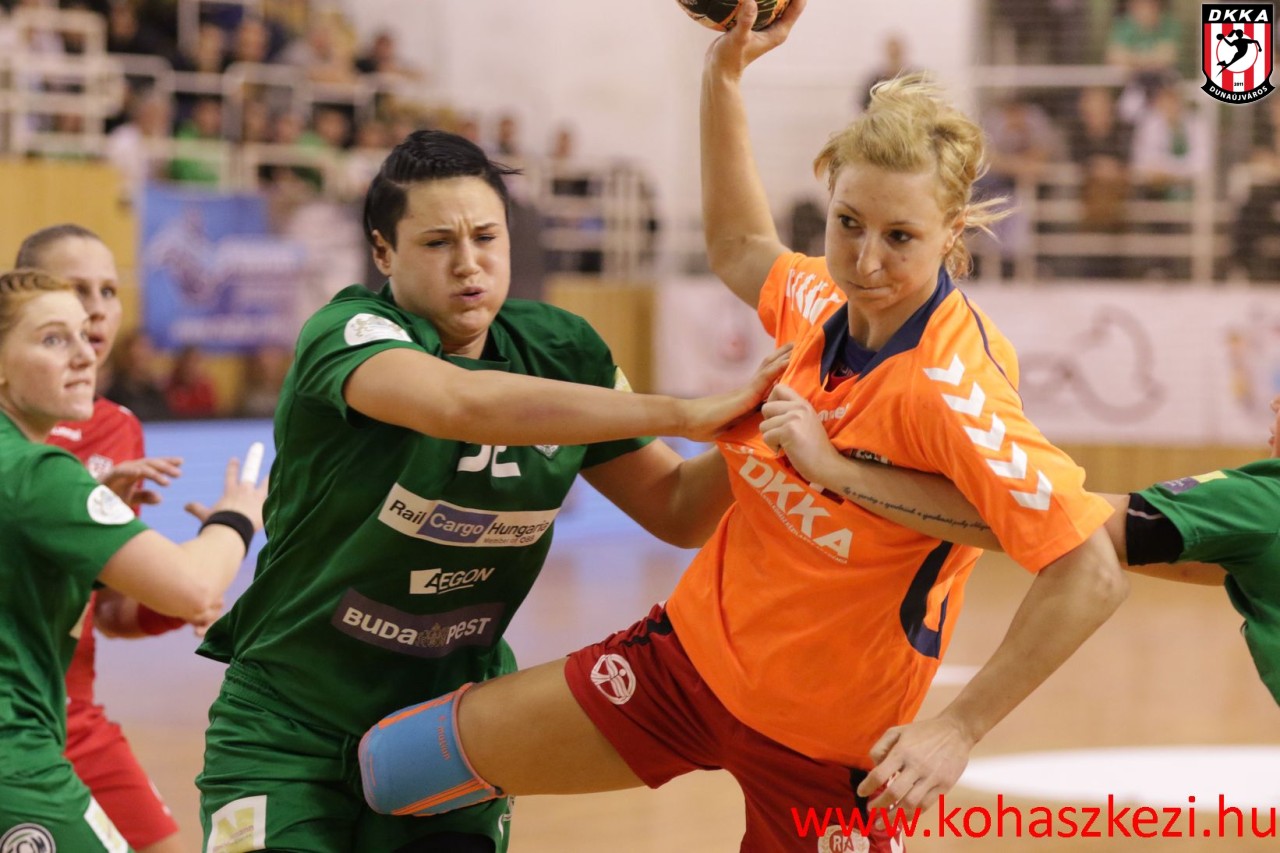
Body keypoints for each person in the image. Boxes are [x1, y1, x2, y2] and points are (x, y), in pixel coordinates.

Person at [356, 3, 1128, 851]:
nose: (866, 260)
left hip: (830, 750)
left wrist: (958, 727)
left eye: (901, 237)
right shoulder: (818, 298)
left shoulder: (954, 387)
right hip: (683, 667)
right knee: (396, 766)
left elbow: (1089, 568)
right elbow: (736, 243)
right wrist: (722, 76)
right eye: (848, 222)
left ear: (952, 234)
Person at [194, 128, 787, 853]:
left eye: (485, 237)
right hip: (289, 719)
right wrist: (686, 412)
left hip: (451, 726)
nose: (468, 263)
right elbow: (459, 404)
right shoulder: (347, 332)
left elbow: (678, 508)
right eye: (437, 242)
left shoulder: (561, 349)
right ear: (383, 251)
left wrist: (781, 419)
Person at [760, 392, 1280, 707]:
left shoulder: (1263, 502)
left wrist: (838, 472)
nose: (1274, 403)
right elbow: (1198, 562)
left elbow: (1060, 523)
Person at [0, 267, 266, 851]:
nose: (84, 353)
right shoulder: (37, 473)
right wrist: (239, 515)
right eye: (53, 338)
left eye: (83, 333)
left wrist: (87, 541)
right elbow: (194, 587)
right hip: (14, 758)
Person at [15, 224, 188, 853]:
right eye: (75, 288)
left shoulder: (118, 428)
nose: (95, 309)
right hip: (16, 715)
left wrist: (174, 602)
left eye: (108, 291)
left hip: (71, 713)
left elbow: (107, 610)